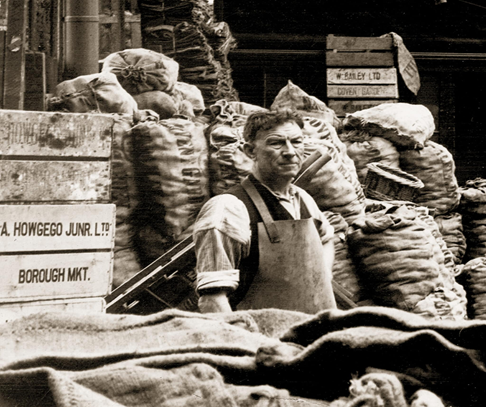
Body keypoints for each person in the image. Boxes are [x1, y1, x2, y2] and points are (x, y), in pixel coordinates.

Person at [194, 109, 337, 313]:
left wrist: (322, 276)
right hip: (259, 337)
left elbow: (326, 239)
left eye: (296, 142)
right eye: (276, 143)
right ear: (250, 151)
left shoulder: (302, 198)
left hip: (307, 329)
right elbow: (212, 300)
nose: (290, 152)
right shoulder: (229, 208)